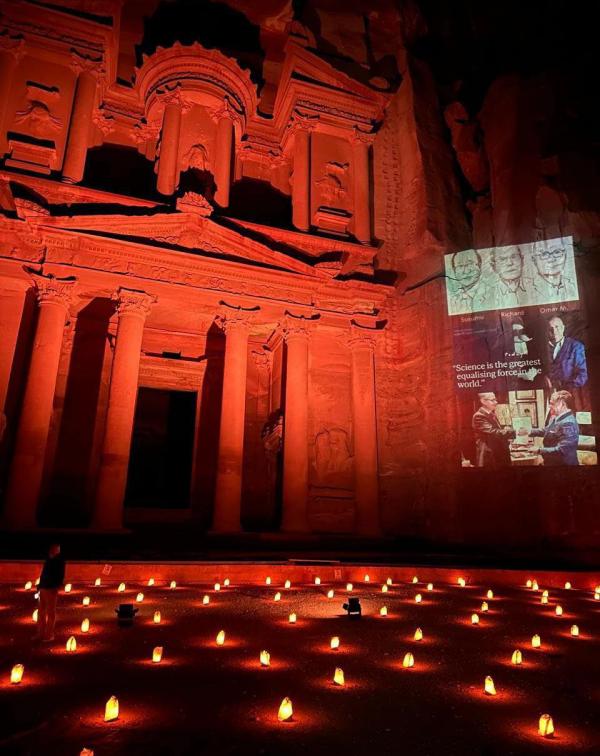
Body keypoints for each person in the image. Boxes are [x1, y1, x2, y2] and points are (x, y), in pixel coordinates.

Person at [525, 390, 579, 465]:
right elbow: (547, 430)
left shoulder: (568, 423)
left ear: (562, 404)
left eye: (552, 404)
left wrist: (539, 450)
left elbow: (562, 450)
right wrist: (529, 431)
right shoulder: (558, 417)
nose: (549, 406)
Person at [472, 392, 515, 467]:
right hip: (490, 456)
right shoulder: (479, 416)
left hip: (497, 454)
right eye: (492, 400)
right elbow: (494, 432)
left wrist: (504, 429)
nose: (496, 402)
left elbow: (495, 431)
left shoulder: (491, 414)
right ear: (483, 401)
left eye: (495, 400)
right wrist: (513, 431)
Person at [545, 315, 587, 391]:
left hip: (569, 393)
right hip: (546, 393)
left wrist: (566, 389)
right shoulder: (543, 349)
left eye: (557, 327)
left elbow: (583, 374)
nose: (554, 331)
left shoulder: (576, 346)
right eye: (550, 328)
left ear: (563, 328)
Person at [447, 249, 490, 315]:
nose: (466, 271)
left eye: (470, 264)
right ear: (454, 270)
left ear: (479, 266)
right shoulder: (452, 301)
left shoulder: (493, 292)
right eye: (460, 266)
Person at [37, 543, 65, 642]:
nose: (57, 550)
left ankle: (49, 635)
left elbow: (60, 575)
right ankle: (41, 633)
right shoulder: (48, 560)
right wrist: (40, 586)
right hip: (43, 588)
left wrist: (56, 586)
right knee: (41, 612)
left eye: (58, 549)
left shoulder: (59, 561)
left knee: (50, 612)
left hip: (51, 589)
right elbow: (43, 573)